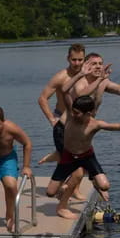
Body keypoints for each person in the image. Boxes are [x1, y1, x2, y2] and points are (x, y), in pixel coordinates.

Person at [46, 95, 120, 219]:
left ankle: (89, 183)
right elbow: (65, 91)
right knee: (50, 193)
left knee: (105, 186)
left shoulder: (96, 124)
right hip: (69, 157)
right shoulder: (71, 117)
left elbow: (119, 127)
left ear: (88, 113)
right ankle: (71, 182)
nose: (73, 114)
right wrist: (81, 74)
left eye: (77, 113)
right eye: (72, 110)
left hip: (87, 156)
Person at [37, 43, 87, 198]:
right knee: (75, 158)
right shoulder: (61, 77)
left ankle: (73, 187)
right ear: (68, 59)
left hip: (80, 121)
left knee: (84, 157)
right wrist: (52, 119)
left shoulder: (87, 75)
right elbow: (42, 99)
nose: (77, 63)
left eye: (80, 60)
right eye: (74, 60)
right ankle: (68, 188)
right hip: (63, 120)